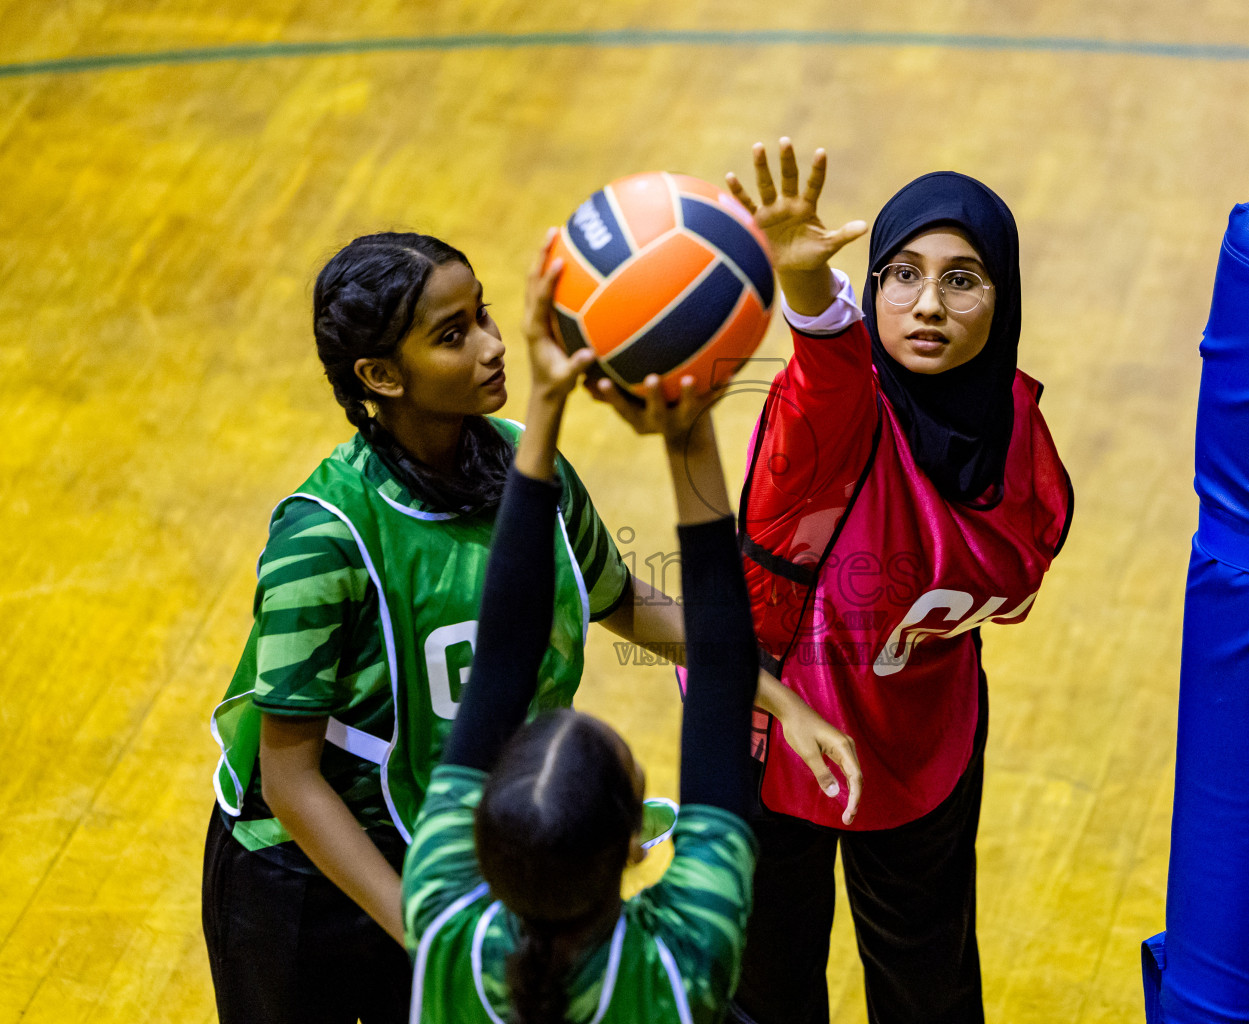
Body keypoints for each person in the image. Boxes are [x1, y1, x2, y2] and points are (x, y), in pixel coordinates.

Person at [202, 231, 683, 1024]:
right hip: (302, 879)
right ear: (382, 376)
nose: (495, 347)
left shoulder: (534, 472)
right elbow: (290, 781)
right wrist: (427, 934)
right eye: (454, 335)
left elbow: (615, 593)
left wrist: (762, 674)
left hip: (443, 847)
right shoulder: (321, 536)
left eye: (484, 315)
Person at [721, 140, 1074, 1023]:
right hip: (766, 727)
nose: (927, 305)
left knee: (929, 985)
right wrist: (806, 286)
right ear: (871, 289)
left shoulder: (1023, 443)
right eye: (902, 274)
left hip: (924, 728)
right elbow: (826, 364)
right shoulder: (835, 411)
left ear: (1006, 299)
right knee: (768, 988)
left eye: (963, 279)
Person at [402, 240, 758, 1024]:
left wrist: (544, 409)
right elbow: (726, 674)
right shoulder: (680, 966)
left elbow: (501, 658)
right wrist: (686, 433)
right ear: (637, 847)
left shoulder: (442, 926)